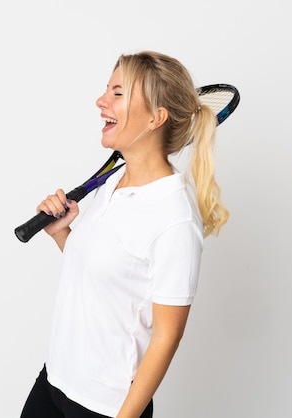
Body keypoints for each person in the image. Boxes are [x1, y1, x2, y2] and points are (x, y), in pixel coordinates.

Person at [20, 50, 229, 418]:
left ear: (155, 118)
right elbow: (105, 279)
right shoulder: (114, 181)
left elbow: (166, 338)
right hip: (55, 379)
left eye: (118, 93)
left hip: (105, 406)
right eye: (107, 90)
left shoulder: (174, 218)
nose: (101, 101)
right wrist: (60, 233)